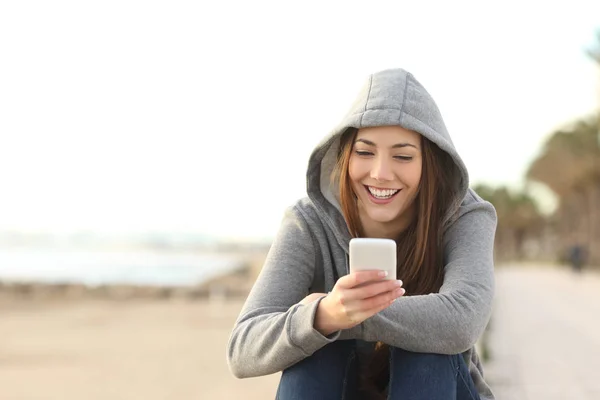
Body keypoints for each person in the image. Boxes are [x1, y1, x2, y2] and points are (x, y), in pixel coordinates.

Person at [227, 68, 497, 400]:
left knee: (427, 345)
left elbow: (462, 322)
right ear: (344, 155)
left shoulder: (465, 216)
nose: (381, 173)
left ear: (430, 163)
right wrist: (323, 317)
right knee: (316, 345)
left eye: (403, 156)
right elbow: (242, 349)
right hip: (337, 386)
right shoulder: (307, 222)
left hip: (437, 387)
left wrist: (343, 314)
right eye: (365, 152)